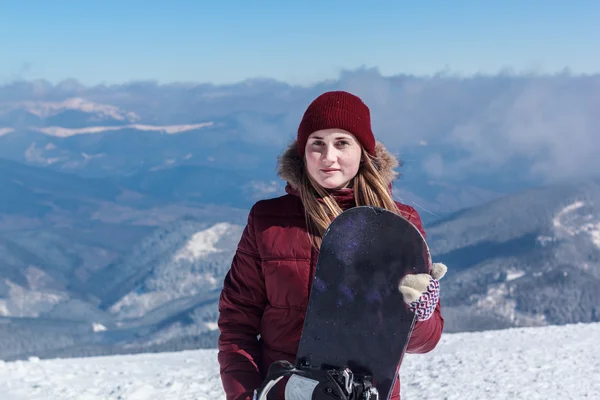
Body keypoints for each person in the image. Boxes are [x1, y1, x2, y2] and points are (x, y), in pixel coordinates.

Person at [217, 90, 447, 400]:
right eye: (317, 144)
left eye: (341, 143)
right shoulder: (268, 220)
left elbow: (424, 343)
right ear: (303, 152)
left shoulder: (399, 225)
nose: (328, 157)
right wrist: (246, 396)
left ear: (363, 151)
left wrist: (420, 313)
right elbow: (236, 325)